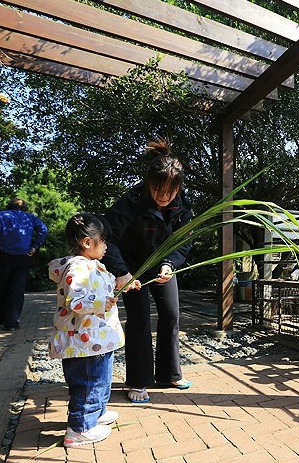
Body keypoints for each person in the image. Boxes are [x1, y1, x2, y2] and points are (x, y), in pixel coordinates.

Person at [103, 139, 192, 403]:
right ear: (148, 182)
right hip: (132, 268)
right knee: (139, 319)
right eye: (158, 189)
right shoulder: (129, 203)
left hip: (163, 265)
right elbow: (106, 239)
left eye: (170, 191)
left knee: (171, 313)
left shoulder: (183, 206)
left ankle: (169, 373)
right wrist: (121, 272)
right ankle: (139, 381)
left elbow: (184, 240)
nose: (163, 196)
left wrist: (170, 264)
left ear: (178, 187)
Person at [49, 213, 125, 447]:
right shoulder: (77, 268)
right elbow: (75, 299)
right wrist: (100, 304)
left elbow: (103, 284)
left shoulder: (92, 265)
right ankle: (79, 429)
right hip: (84, 342)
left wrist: (122, 284)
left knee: (101, 380)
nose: (106, 247)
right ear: (87, 242)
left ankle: (96, 414)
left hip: (96, 338)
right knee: (89, 383)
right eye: (103, 241)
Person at [0, 198, 48, 331]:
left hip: (3, 255)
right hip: (23, 257)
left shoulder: (2, 215)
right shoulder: (30, 218)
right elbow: (43, 230)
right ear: (24, 208)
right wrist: (34, 246)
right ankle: (11, 322)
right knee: (16, 289)